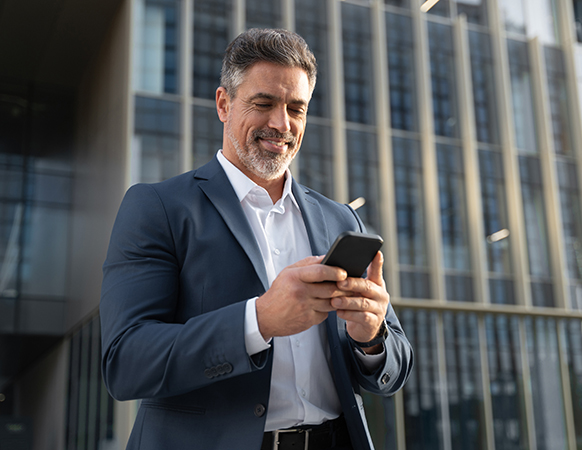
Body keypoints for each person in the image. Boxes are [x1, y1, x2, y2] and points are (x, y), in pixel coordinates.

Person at [100, 28, 413, 450]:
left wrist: (371, 337)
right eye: (263, 103)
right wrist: (259, 320)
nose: (281, 124)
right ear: (224, 104)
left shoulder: (342, 219)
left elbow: (393, 369)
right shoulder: (158, 207)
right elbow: (126, 363)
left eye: (296, 109)